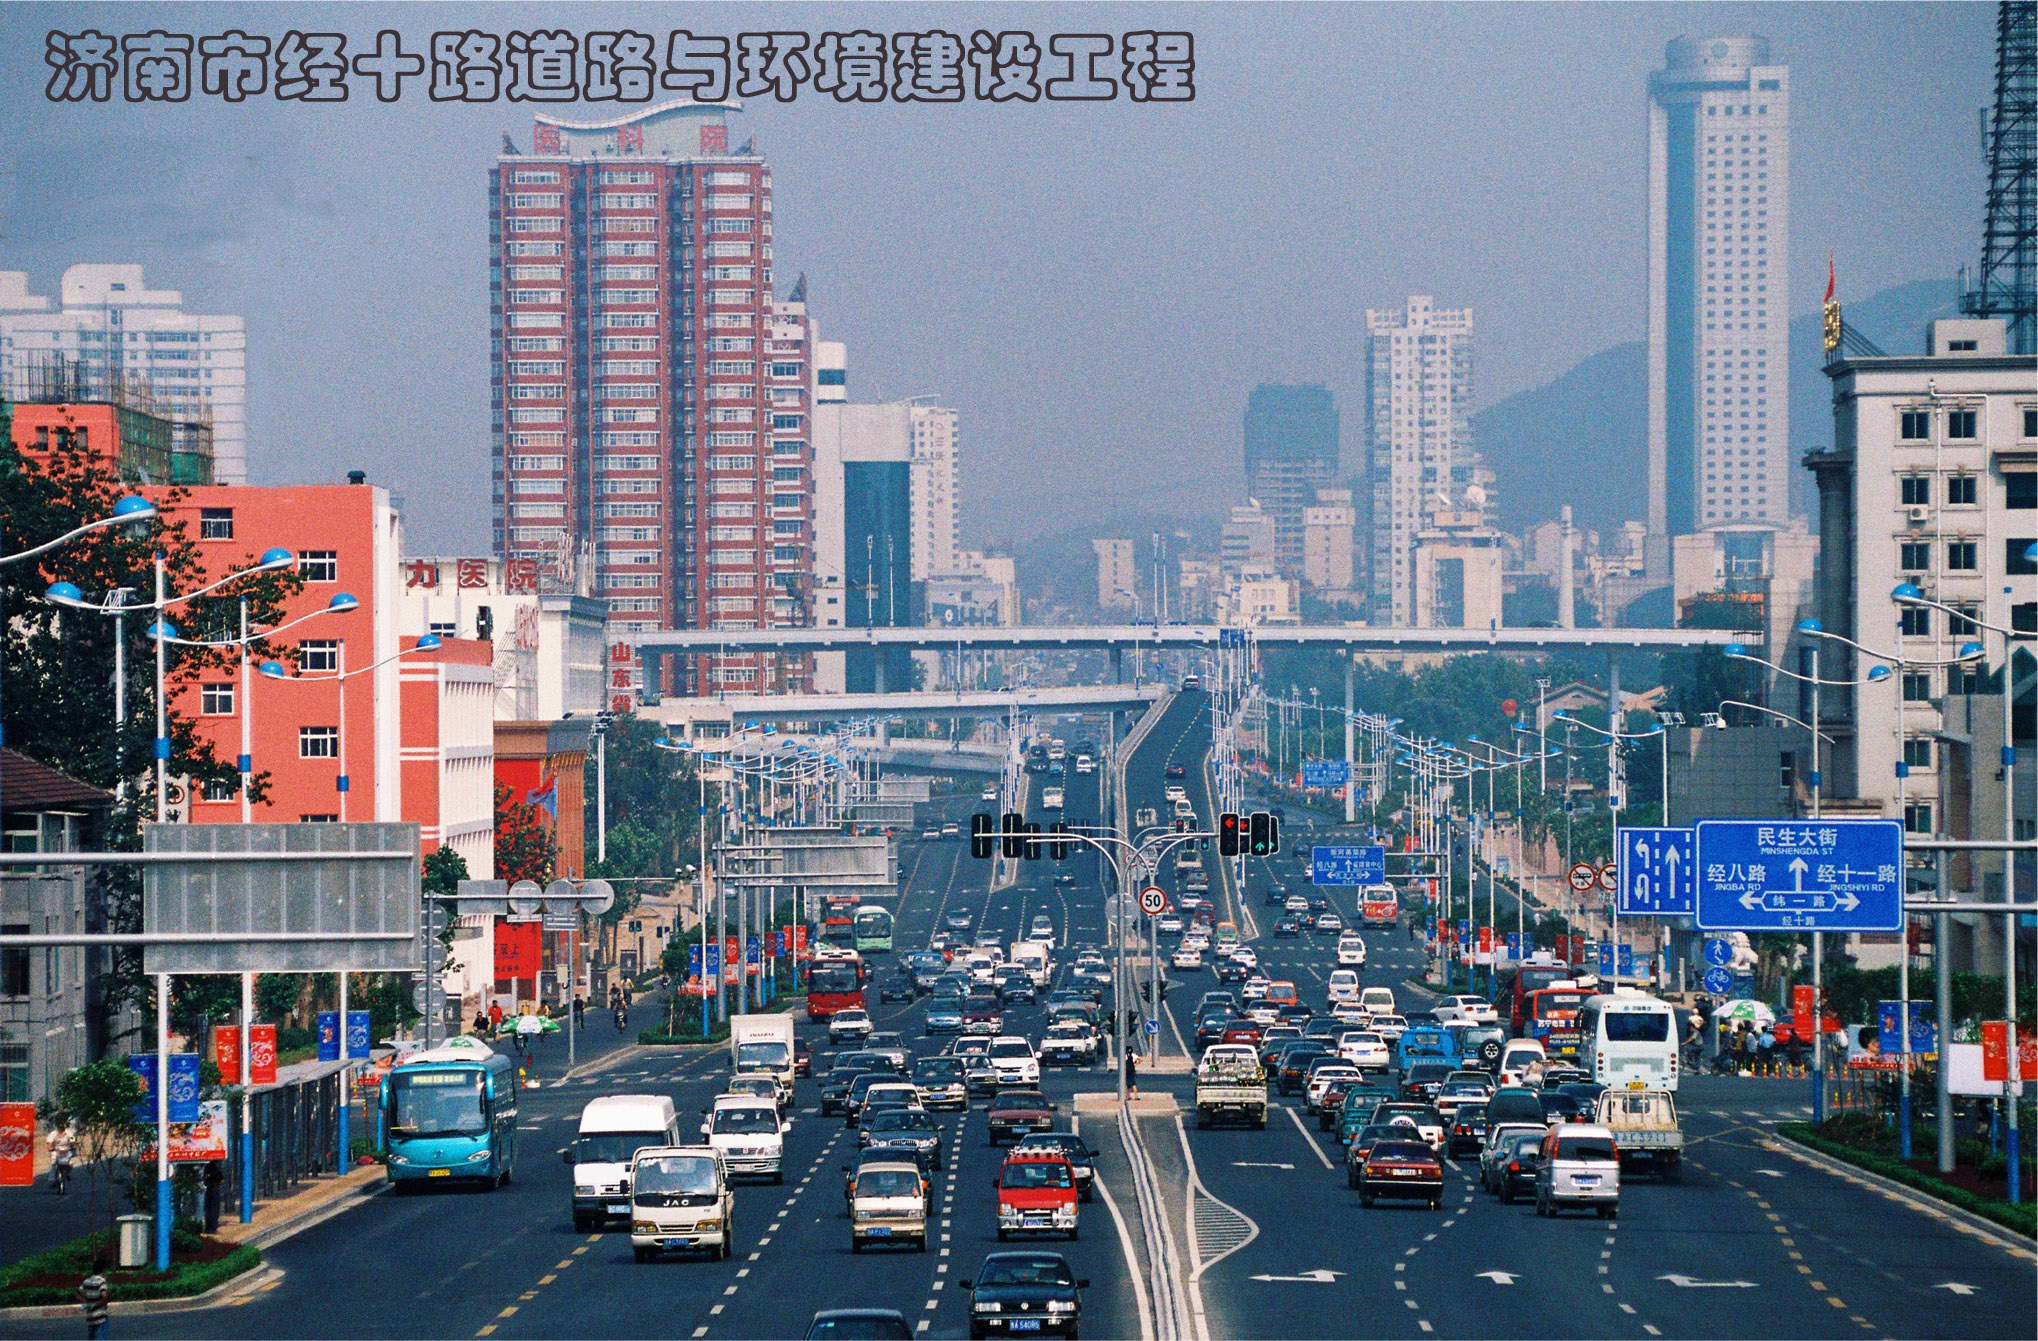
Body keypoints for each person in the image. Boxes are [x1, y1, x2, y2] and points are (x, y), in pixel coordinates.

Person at [77, 1257, 109, 1339]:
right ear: (103, 1270)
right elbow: (104, 1294)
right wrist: (104, 1304)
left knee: (92, 1336)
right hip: (100, 1315)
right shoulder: (101, 1281)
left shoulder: (87, 1281)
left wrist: (86, 1301)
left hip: (90, 1316)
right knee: (100, 1336)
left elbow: (77, 1293)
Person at [48, 1124, 74, 1195]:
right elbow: (49, 1144)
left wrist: (73, 1145)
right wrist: (50, 1148)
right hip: (56, 1151)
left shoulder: (69, 1133)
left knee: (70, 1164)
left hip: (66, 1151)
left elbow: (73, 1141)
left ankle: (67, 1173)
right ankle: (53, 1179)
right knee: (53, 1163)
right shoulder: (53, 1134)